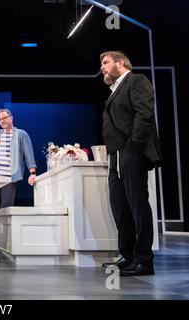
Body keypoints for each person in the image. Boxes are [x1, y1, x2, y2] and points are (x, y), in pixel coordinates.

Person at [99, 51, 161, 276]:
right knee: (120, 207)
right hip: (116, 155)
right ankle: (127, 256)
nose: (102, 68)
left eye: (105, 63)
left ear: (121, 62)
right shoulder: (114, 90)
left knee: (138, 205)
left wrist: (134, 147)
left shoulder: (136, 81)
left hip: (131, 151)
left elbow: (143, 114)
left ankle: (144, 260)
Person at [0, 108, 37, 242]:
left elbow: (28, 155)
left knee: (5, 208)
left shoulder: (21, 134)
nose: (2, 121)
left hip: (9, 178)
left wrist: (32, 172)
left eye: (4, 118)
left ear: (11, 118)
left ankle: (4, 237)